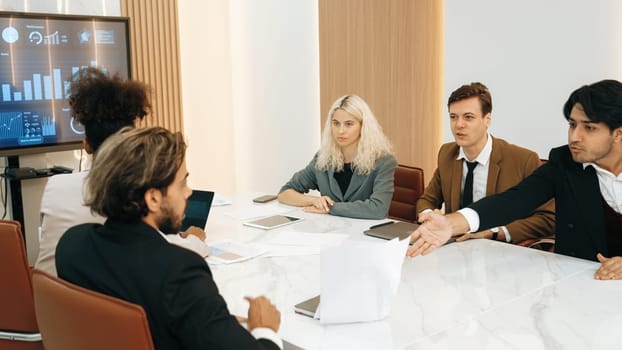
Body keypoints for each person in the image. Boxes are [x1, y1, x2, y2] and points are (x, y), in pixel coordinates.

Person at [56, 127, 282, 349]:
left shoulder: (72, 245)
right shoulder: (180, 272)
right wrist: (265, 329)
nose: (189, 192)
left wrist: (210, 319)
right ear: (153, 198)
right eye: (182, 183)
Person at [406, 79, 622, 280]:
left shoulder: (523, 158)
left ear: (618, 133)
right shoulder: (565, 162)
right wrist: (451, 224)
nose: (575, 137)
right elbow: (513, 200)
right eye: (572, 125)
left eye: (589, 128)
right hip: (576, 281)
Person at [35, 67, 209, 276]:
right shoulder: (129, 194)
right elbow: (164, 251)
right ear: (132, 144)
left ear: (87, 146)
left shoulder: (55, 186)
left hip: (47, 300)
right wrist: (195, 239)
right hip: (102, 304)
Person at [417, 82, 555, 243]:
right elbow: (427, 199)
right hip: (453, 244)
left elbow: (548, 218)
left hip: (500, 249)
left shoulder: (522, 160)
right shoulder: (447, 153)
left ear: (487, 119)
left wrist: (496, 232)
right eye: (453, 117)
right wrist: (428, 215)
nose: (458, 125)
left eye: (468, 117)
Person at [278, 94, 397, 219]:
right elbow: (285, 193)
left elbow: (378, 209)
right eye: (336, 123)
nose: (341, 131)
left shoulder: (383, 161)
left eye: (349, 124)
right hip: (332, 231)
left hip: (365, 234)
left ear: (363, 126)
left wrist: (330, 207)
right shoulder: (323, 159)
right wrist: (313, 200)